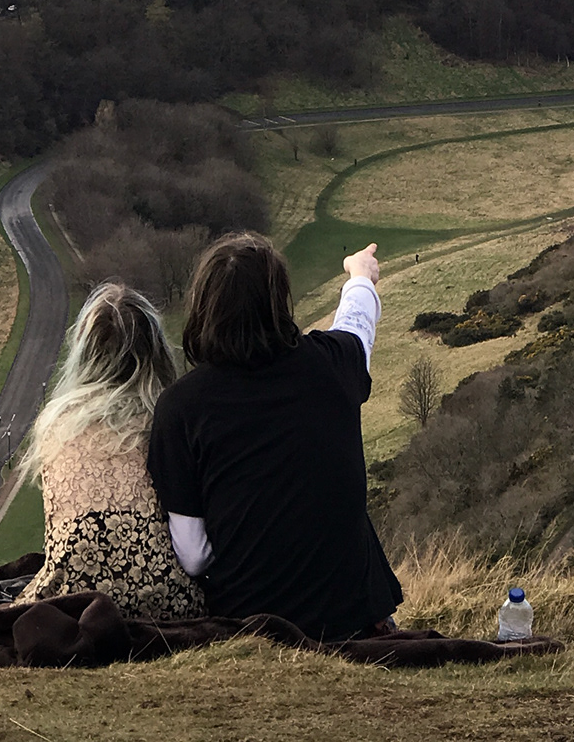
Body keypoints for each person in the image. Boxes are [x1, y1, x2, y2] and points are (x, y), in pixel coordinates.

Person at [148, 232, 402, 642]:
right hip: (353, 615)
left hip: (251, 626)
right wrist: (359, 275)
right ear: (279, 302)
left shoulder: (180, 408)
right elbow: (357, 325)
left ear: (203, 307)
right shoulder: (332, 364)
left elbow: (193, 557)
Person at [16, 282, 202, 620]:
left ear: (84, 352)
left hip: (71, 601)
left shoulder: (57, 423)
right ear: (156, 349)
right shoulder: (169, 417)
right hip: (170, 600)